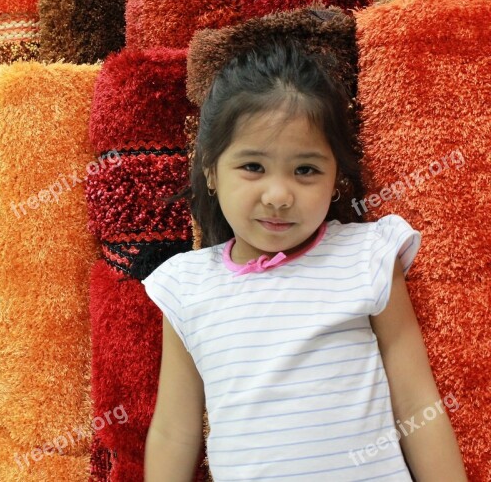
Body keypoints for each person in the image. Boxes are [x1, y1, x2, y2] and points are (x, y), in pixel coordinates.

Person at [142, 38, 467, 481]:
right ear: (211, 171)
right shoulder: (187, 286)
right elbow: (174, 432)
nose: (278, 196)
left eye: (306, 170)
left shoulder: (366, 257)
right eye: (253, 166)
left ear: (336, 179)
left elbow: (416, 404)